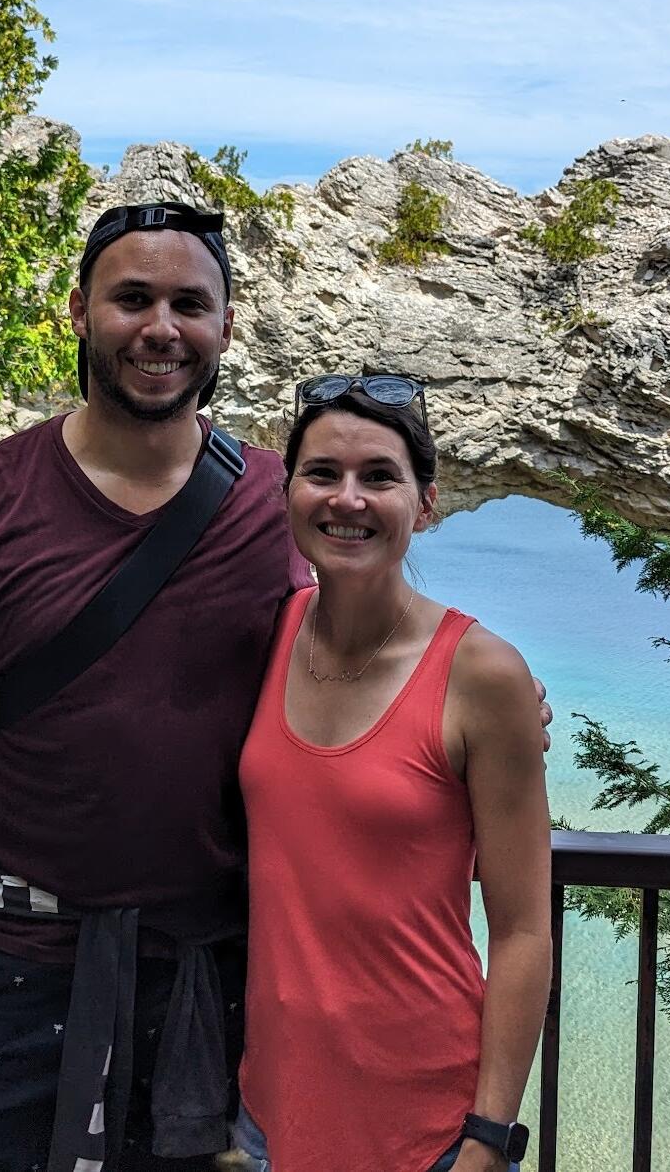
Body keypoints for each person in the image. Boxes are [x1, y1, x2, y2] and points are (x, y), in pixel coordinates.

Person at [0, 203, 553, 1172]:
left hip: (204, 987)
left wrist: (499, 702)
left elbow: (364, 649)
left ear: (225, 325)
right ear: (78, 311)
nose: (160, 329)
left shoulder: (280, 505)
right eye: (131, 298)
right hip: (2, 964)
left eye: (190, 303)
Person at [233, 374, 551, 1172]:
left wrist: (487, 1138)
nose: (349, 499)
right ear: (287, 494)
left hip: (428, 1130)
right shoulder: (262, 634)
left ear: (426, 503)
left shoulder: (482, 675)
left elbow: (520, 931)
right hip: (265, 1117)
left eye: (379, 476)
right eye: (322, 474)